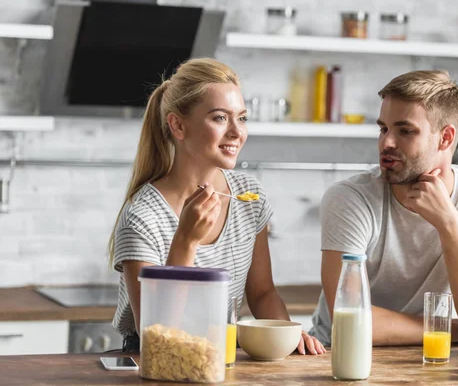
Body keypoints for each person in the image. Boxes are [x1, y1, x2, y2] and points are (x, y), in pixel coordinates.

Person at [108, 57, 324, 355]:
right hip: (153, 359)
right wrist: (186, 241)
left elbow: (262, 293)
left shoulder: (249, 196)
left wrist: (286, 335)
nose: (237, 132)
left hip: (218, 354)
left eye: (242, 118)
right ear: (178, 125)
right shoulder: (143, 217)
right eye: (220, 118)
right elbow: (156, 334)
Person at [309, 70, 458, 346]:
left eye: (405, 131)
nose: (386, 143)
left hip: (441, 361)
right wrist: (452, 329)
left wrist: (449, 223)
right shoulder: (350, 198)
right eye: (383, 128)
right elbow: (350, 318)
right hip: (340, 357)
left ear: (445, 138)